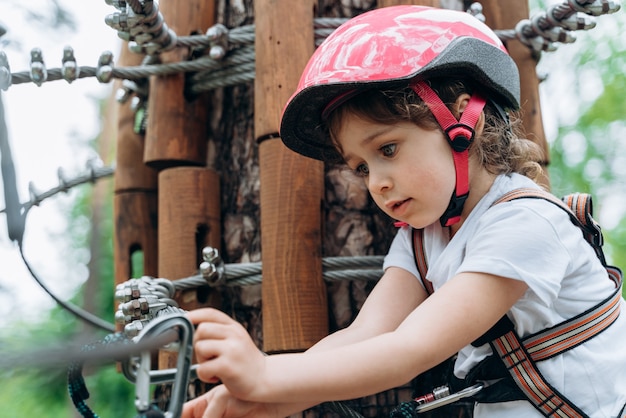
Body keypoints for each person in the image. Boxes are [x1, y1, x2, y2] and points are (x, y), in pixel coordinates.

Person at [182, 5, 626, 418]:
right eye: (361, 166)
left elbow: (411, 347)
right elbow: (366, 336)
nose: (376, 181)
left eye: (387, 148)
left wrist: (265, 373)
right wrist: (267, 399)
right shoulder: (422, 239)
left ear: (464, 125)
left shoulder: (526, 223)